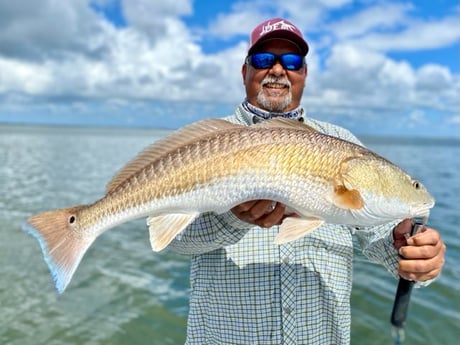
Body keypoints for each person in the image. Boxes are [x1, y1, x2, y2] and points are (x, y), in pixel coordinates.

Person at [167, 18, 446, 345]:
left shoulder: (343, 143)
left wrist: (411, 254)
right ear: (244, 72)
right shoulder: (204, 143)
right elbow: (174, 240)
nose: (277, 70)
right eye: (262, 60)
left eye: (291, 62)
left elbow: (378, 235)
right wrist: (233, 217)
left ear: (304, 74)